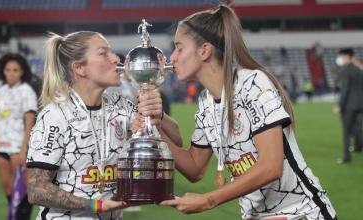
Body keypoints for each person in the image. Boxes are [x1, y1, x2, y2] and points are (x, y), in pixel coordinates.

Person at [159, 5, 337, 220]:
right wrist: (155, 129)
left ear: (204, 50)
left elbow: (271, 166)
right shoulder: (205, 102)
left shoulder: (252, 83)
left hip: (303, 214)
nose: (173, 57)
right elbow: (195, 168)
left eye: (179, 48)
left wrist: (208, 200)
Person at [26, 31, 181, 220]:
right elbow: (36, 190)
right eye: (103, 53)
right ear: (80, 68)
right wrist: (96, 205)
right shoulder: (55, 116)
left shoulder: (120, 105)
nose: (115, 59)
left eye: (112, 52)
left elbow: (176, 141)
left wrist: (159, 115)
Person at [0, 53, 37, 220]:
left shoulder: (26, 91)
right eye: (8, 70)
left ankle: (21, 217)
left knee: (23, 190)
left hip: (18, 148)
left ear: (22, 72)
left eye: (15, 70)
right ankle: (14, 216)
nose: (11, 73)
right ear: (3, 71)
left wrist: (24, 150)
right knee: (7, 187)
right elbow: (1, 120)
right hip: (3, 146)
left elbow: (30, 121)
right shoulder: (1, 91)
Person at [334, 48, 363, 163]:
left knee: (346, 131)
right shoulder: (358, 70)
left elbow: (345, 90)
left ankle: (346, 158)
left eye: (341, 56)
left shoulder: (345, 71)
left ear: (346, 56)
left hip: (349, 106)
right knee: (356, 128)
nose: (340, 59)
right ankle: (359, 146)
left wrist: (340, 105)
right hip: (360, 104)